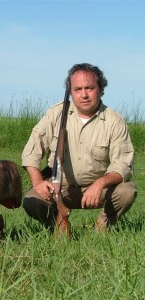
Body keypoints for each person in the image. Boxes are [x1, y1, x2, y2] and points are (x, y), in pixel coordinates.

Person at [22, 63, 137, 232]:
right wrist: (38, 182)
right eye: (77, 89)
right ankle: (56, 227)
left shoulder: (114, 120)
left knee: (127, 191)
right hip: (60, 189)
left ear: (101, 89)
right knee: (31, 200)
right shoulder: (55, 114)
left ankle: (102, 228)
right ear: (70, 92)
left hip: (98, 190)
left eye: (89, 88)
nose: (83, 94)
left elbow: (122, 165)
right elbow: (32, 151)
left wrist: (100, 183)